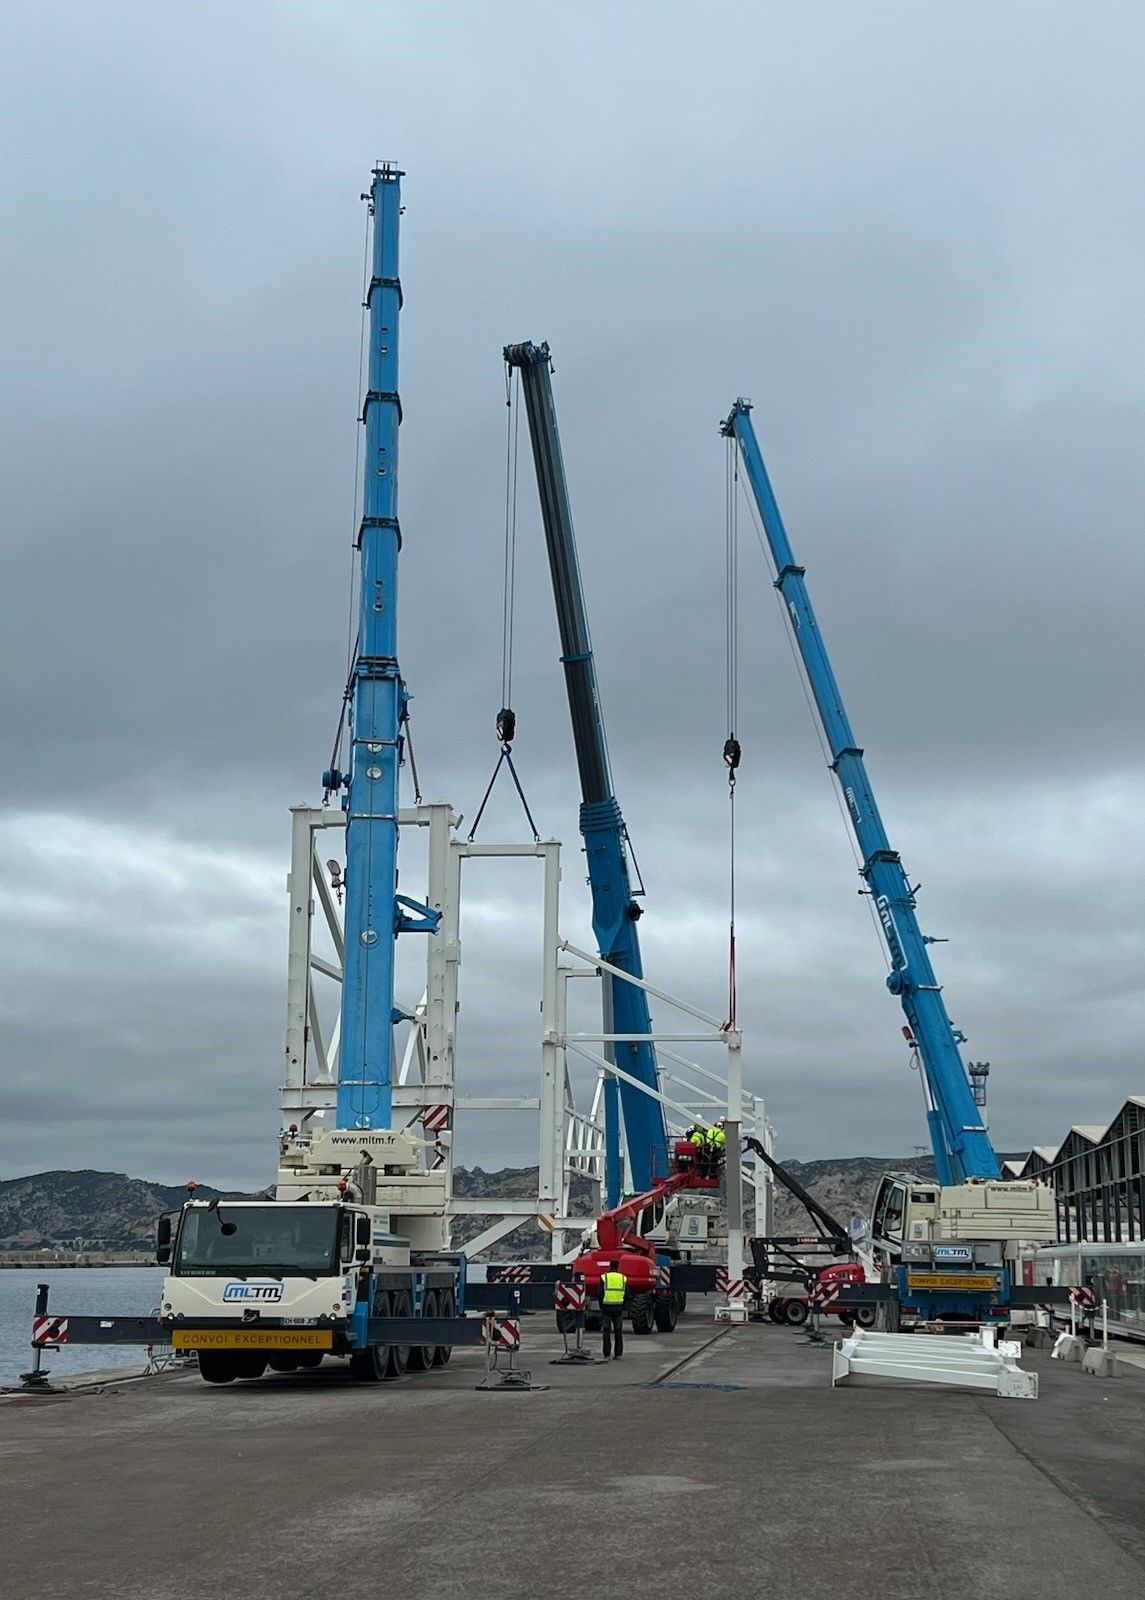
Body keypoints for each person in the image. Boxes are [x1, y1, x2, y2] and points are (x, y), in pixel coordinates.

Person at [599, 1258, 628, 1359]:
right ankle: (618, 1354)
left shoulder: (604, 1277)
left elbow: (600, 1294)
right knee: (618, 1331)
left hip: (606, 1308)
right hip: (618, 1308)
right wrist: (624, 1306)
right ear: (618, 1266)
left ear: (609, 1266)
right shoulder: (623, 1278)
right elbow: (627, 1295)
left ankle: (607, 1354)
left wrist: (601, 1306)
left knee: (606, 1331)